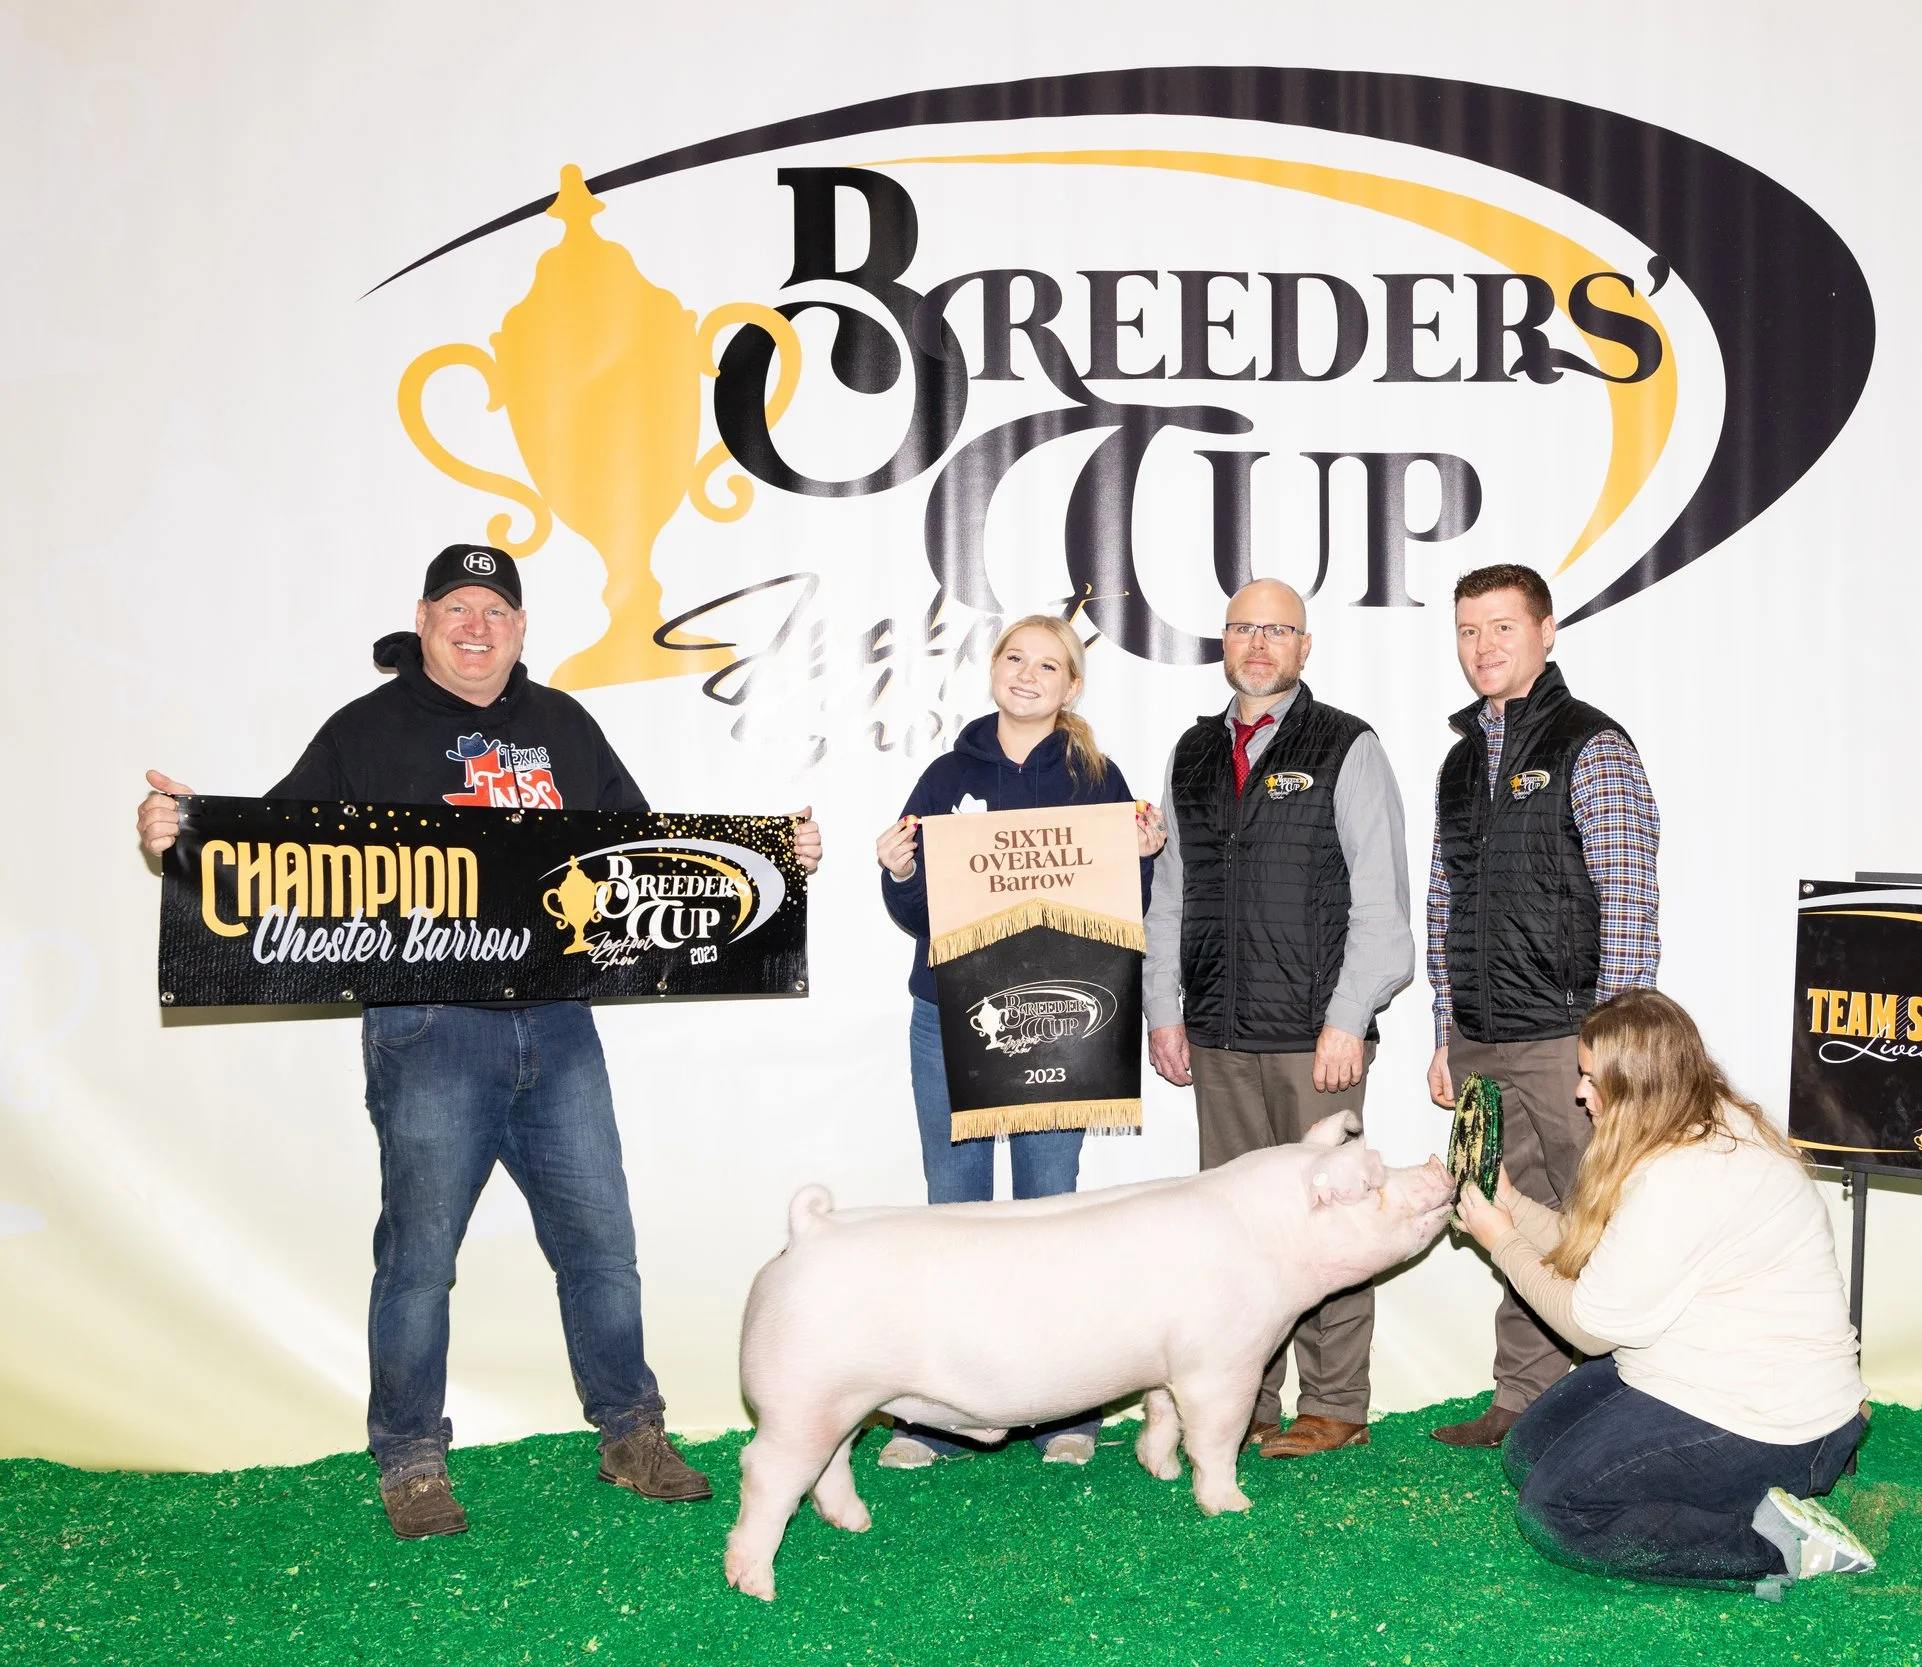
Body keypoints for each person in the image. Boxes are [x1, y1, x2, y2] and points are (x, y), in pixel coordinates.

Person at [134, 543, 824, 1541]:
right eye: (455, 606)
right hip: (429, 1032)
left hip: (558, 1022)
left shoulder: (564, 724)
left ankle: (631, 1429)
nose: (475, 624)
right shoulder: (363, 732)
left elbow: (650, 852)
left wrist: (775, 862)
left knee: (603, 1247)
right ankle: (410, 1459)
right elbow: (269, 850)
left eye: (494, 609)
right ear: (422, 621)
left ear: (520, 627)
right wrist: (183, 834)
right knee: (418, 1259)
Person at [1452, 989, 1874, 1587]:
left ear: (1638, 1087)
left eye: (1592, 1079)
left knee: (1557, 1511)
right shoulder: (1691, 1129)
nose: (1579, 1093)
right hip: (1702, 1374)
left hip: (1771, 1418)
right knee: (1526, 1455)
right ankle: (1759, 1493)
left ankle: (1783, 1545)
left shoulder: (1684, 1176)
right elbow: (1593, 1252)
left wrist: (1502, 1242)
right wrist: (1512, 1207)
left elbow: (1588, 1330)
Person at [872, 613, 1163, 1470]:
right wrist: (898, 871)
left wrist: (1143, 856)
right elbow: (913, 914)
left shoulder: (1098, 776)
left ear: (1073, 685)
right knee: (955, 1215)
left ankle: (1061, 1409)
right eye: (1014, 658)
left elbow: (1122, 904)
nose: (1029, 674)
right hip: (951, 1011)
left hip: (1064, 1020)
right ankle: (942, 1413)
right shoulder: (945, 773)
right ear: (992, 668)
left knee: (1049, 1215)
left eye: (1049, 664)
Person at [1144, 578, 1413, 1460]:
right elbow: (1170, 897)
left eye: (1279, 630)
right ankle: (1243, 1399)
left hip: (1313, 1040)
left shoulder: (1347, 745)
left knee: (1334, 1221)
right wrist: (1164, 1010)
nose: (1260, 643)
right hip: (1216, 1036)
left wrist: (1348, 1018)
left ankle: (1335, 1403)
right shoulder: (1190, 752)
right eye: (1244, 628)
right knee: (1231, 1238)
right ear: (1223, 640)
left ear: (1306, 646)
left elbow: (1383, 908)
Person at [1425, 563, 1663, 1449]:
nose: (1482, 646)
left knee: (1605, 1222)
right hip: (1482, 1036)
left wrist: (1615, 1045)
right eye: (1467, 630)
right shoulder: (1457, 764)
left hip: (1570, 1041)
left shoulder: (1591, 744)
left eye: (1501, 627)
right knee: (1508, 1213)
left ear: (1547, 630)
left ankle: (1634, 1399)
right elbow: (1442, 904)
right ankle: (1523, 1397)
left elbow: (1629, 897)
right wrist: (1445, 1028)